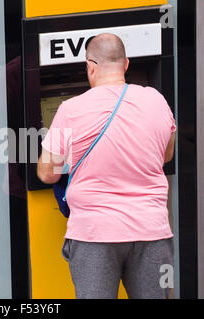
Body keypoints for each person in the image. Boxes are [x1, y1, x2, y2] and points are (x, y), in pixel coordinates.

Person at [37, 33, 176, 299]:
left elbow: (47, 173)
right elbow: (166, 155)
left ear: (90, 66)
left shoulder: (70, 109)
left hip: (94, 234)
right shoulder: (156, 100)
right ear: (125, 64)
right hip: (151, 231)